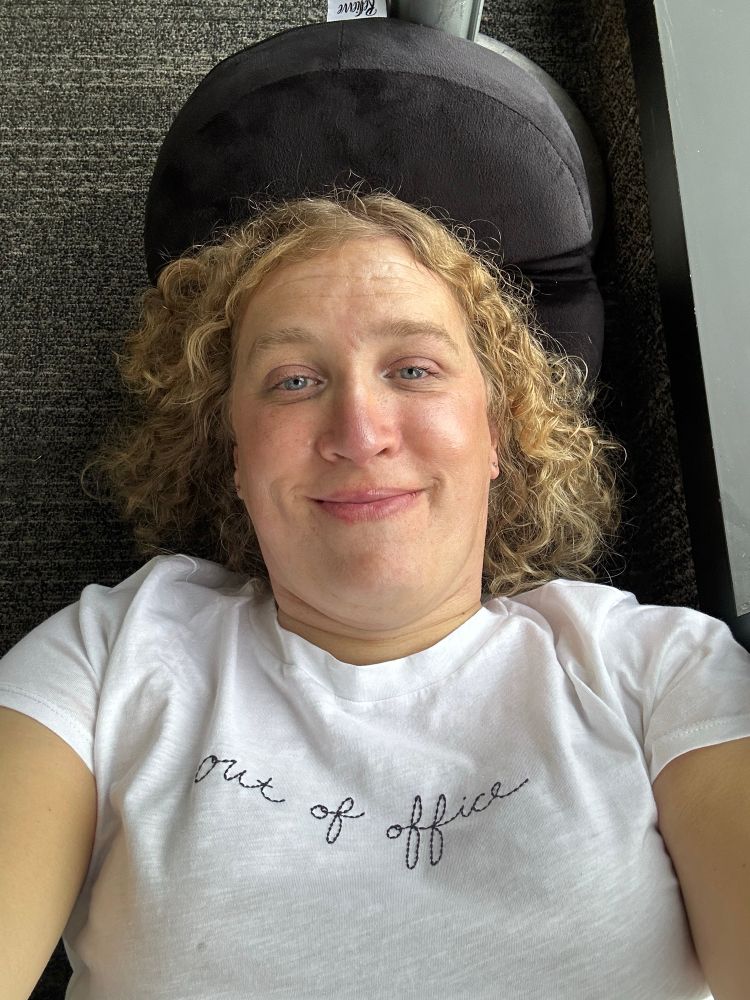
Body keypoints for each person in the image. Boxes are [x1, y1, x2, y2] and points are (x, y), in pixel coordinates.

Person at [1, 187, 749, 1000]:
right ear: (234, 458)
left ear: (495, 432)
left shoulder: (660, 673)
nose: (360, 432)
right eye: (292, 381)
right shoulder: (109, 659)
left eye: (414, 369)